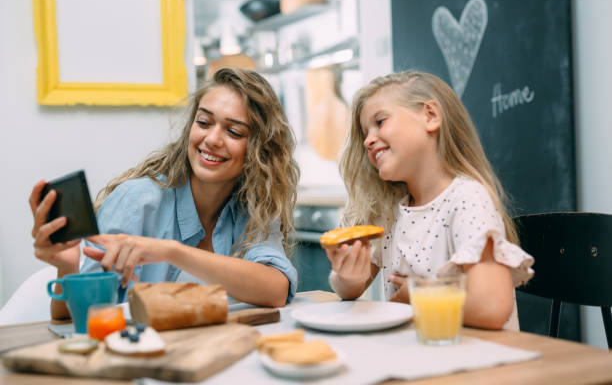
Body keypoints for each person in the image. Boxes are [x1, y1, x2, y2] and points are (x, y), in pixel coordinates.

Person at [30, 68, 300, 320]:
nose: (213, 139)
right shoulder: (135, 201)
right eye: (204, 122)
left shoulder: (252, 208)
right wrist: (67, 269)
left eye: (233, 131)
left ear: (259, 150)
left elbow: (275, 290)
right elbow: (79, 316)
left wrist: (172, 252)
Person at [324, 70, 534, 330]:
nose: (367, 140)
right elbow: (347, 289)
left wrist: (417, 294)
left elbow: (491, 308)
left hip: (478, 361)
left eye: (380, 122)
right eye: (365, 132)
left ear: (430, 116)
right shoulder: (390, 212)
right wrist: (347, 276)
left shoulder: (467, 199)